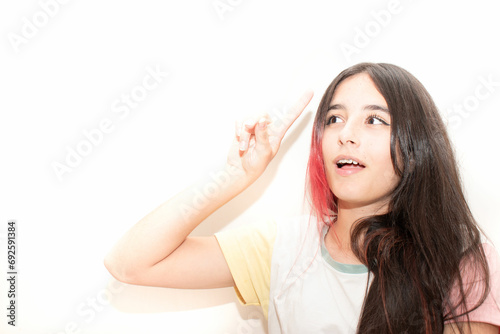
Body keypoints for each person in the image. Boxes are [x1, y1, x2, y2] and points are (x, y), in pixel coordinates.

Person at [104, 63, 500, 333]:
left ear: (414, 149)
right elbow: (130, 264)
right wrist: (233, 177)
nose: (347, 134)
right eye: (334, 118)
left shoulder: (462, 260)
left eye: (375, 119)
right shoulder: (281, 249)